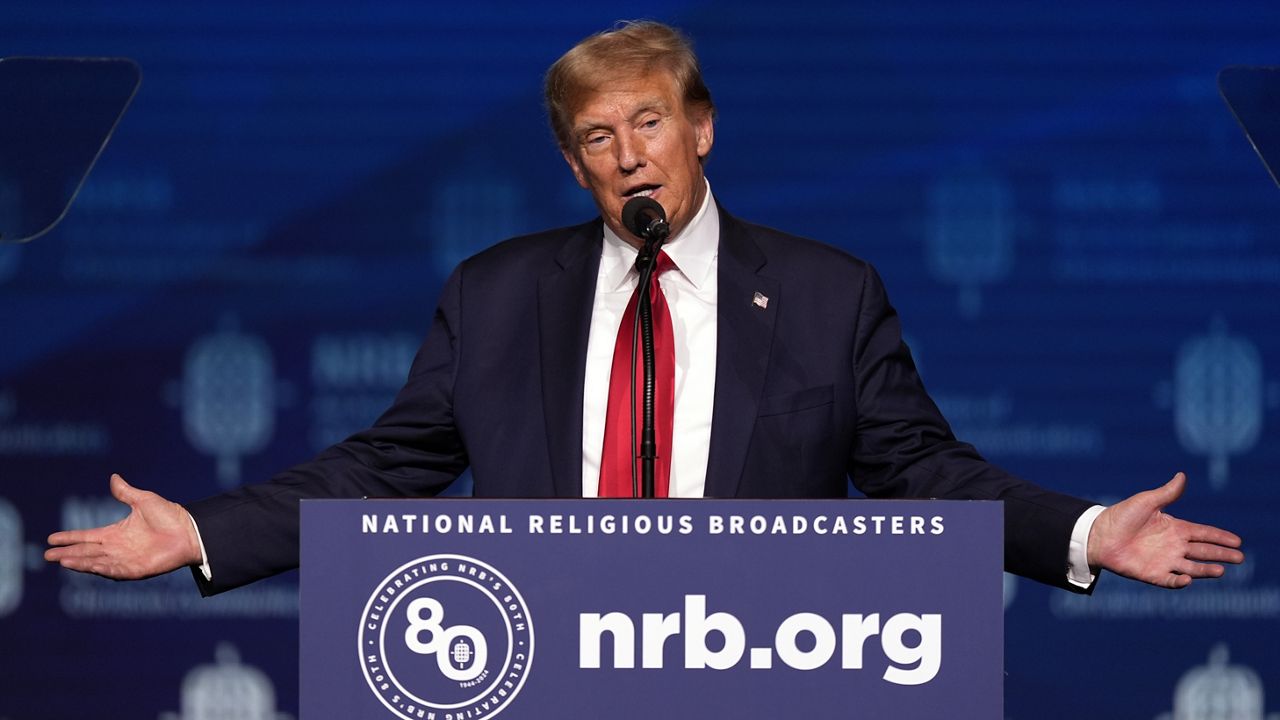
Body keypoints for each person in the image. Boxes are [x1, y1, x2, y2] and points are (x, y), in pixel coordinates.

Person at [47, 21, 1242, 596]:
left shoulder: (827, 294)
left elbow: (923, 475)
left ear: (702, 129)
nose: (627, 157)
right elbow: (383, 470)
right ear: (574, 167)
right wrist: (201, 533)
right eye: (597, 138)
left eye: (649, 123)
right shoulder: (497, 294)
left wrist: (1086, 533)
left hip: (759, 676)